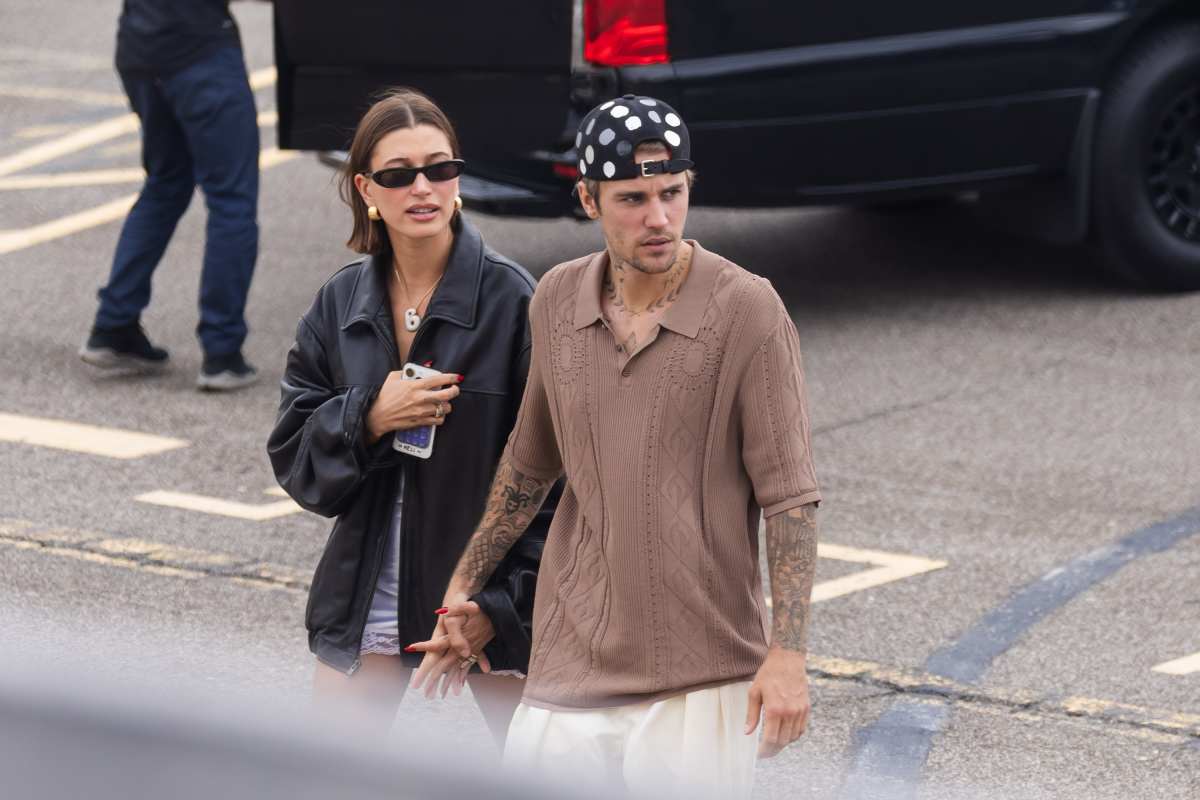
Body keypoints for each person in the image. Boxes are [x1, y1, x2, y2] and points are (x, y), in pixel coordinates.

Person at [411, 95, 822, 797]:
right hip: (568, 664)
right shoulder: (557, 300)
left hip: (702, 674)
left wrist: (788, 653)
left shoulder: (748, 309)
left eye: (672, 193)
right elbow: (530, 462)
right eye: (632, 198)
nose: (658, 217)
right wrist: (464, 588)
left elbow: (790, 497)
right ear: (588, 198)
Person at [267, 88, 555, 744]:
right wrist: (368, 415)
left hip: (486, 591)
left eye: (441, 168)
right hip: (372, 586)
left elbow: (559, 481)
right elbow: (294, 453)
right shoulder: (341, 303)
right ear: (368, 189)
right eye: (400, 175)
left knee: (545, 770)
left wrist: (500, 605)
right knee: (329, 772)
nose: (423, 187)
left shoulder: (514, 303)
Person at [80, 0, 261, 390]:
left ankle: (114, 323)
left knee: (165, 183)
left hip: (140, 49)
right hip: (200, 52)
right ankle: (222, 351)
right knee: (232, 199)